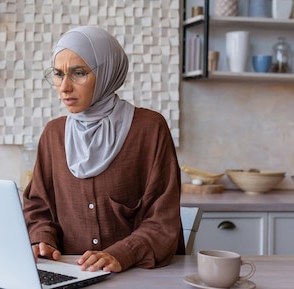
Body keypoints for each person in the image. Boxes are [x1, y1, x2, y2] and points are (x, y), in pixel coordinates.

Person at [22, 26, 183, 273]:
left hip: (138, 275)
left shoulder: (149, 129)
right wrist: (42, 239)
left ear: (107, 72)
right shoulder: (54, 134)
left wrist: (122, 254)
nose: (64, 87)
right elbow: (39, 207)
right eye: (58, 74)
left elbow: (162, 219)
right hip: (70, 274)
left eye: (78, 73)